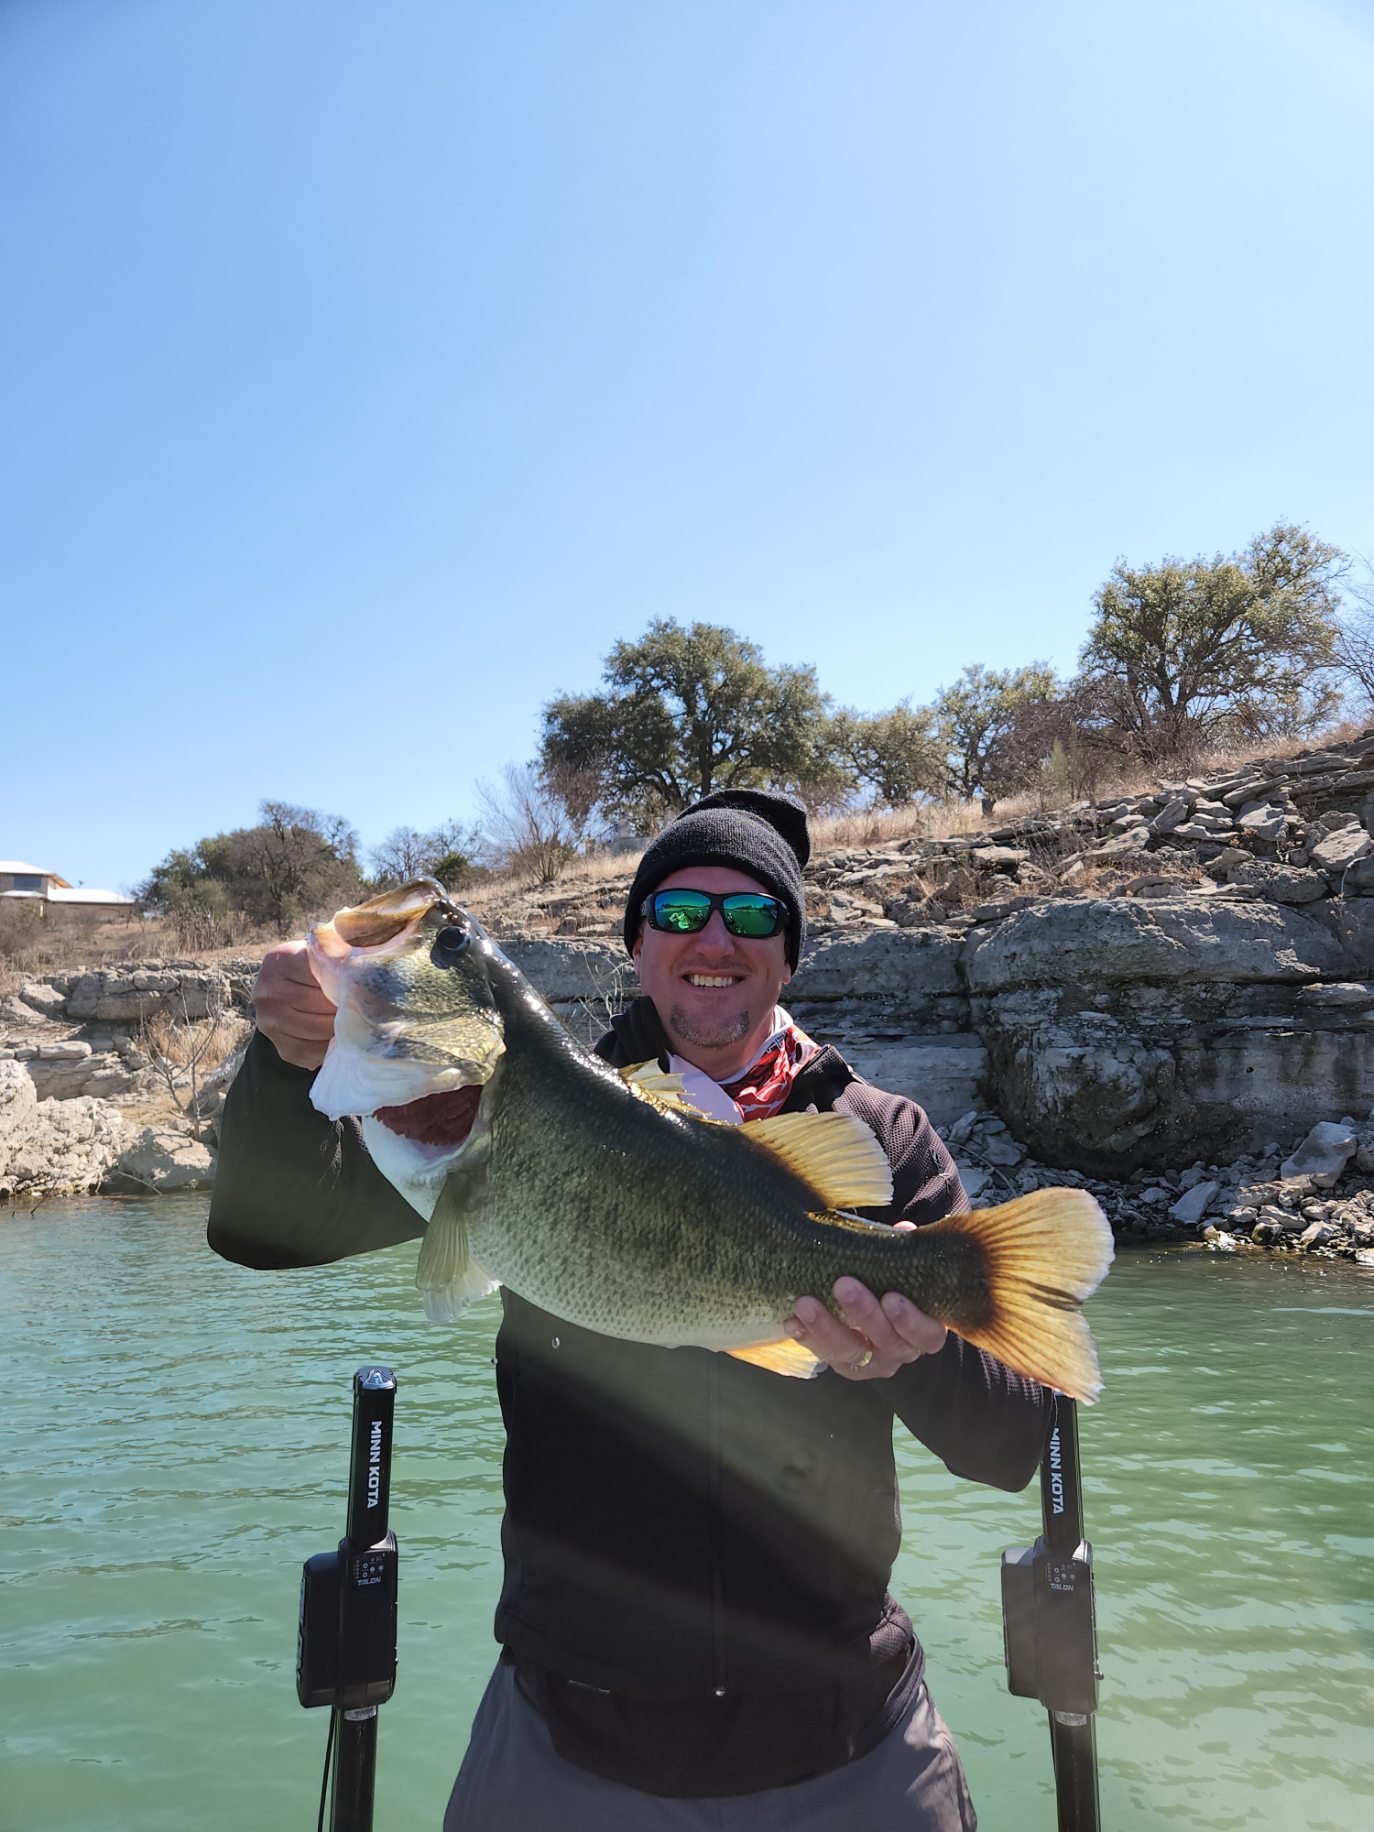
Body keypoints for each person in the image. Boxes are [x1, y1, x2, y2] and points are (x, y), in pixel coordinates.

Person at [208, 788, 1054, 1829]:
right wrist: (284, 1060)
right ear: (638, 943)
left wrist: (911, 1353)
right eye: (679, 910)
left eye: (752, 915)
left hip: (846, 1741)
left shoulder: (879, 1137)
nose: (714, 939)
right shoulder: (516, 1106)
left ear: (788, 954)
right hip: (570, 1740)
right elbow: (261, 1229)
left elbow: (1010, 1441)